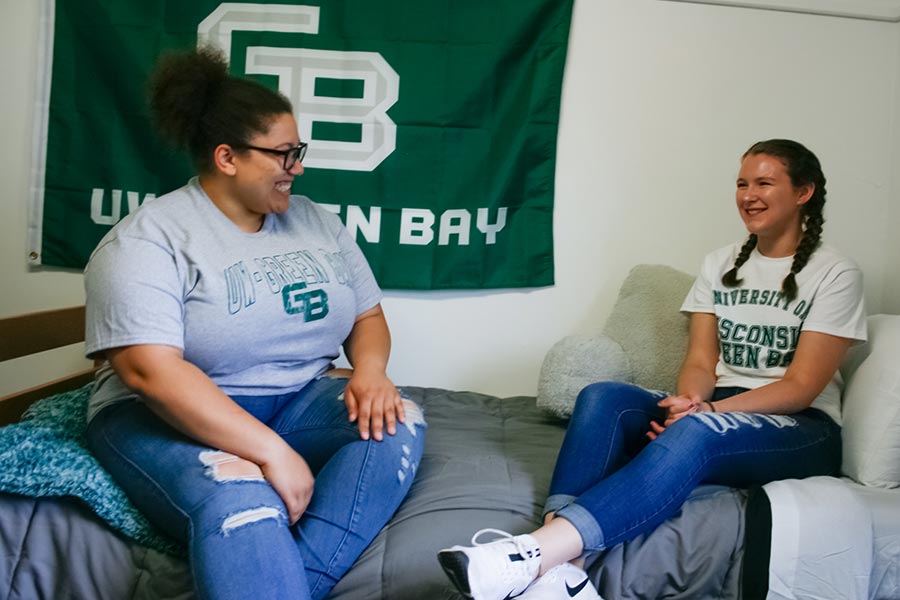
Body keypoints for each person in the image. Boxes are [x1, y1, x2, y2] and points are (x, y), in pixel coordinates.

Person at [437, 139, 866, 600]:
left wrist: (705, 418)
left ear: (803, 193)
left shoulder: (835, 273)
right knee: (603, 395)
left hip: (801, 428)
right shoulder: (720, 263)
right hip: (721, 409)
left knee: (696, 433)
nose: (748, 195)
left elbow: (800, 388)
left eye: (764, 183)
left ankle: (530, 554)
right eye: (742, 183)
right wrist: (692, 401)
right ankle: (561, 569)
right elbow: (701, 361)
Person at [83, 45, 426, 600]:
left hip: (292, 400)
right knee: (244, 499)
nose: (300, 168)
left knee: (397, 421)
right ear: (227, 158)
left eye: (299, 152)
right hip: (162, 416)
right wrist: (270, 453)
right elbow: (150, 374)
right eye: (285, 155)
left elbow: (367, 315)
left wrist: (370, 371)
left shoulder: (317, 221)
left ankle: (291, 584)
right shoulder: (147, 240)